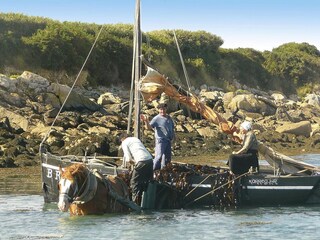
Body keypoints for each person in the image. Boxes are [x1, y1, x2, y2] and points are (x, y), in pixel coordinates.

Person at [119, 133, 153, 204]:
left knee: (134, 182)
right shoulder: (136, 139)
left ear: (122, 139)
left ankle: (134, 203)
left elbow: (128, 159)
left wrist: (134, 164)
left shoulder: (124, 143)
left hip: (141, 161)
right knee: (147, 181)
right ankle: (148, 201)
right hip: (150, 160)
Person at [140, 103, 175, 170]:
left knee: (167, 159)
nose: (162, 111)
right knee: (158, 157)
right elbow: (148, 127)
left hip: (168, 140)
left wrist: (173, 138)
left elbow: (172, 128)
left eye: (164, 109)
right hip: (161, 141)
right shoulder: (156, 119)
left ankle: (164, 172)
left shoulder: (169, 118)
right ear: (158, 110)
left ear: (166, 109)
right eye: (161, 109)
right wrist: (146, 121)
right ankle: (153, 171)